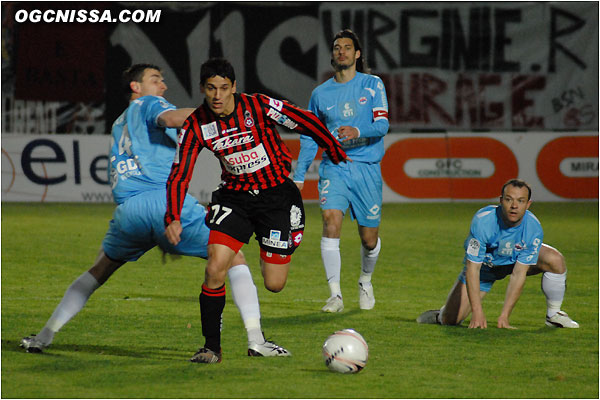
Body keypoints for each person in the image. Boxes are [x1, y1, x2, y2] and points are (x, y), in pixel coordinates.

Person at [20, 64, 291, 358]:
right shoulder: (148, 104)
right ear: (136, 87)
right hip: (163, 201)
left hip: (129, 211)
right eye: (155, 80)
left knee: (99, 270)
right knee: (233, 257)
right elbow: (173, 118)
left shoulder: (119, 122)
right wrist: (223, 112)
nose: (162, 86)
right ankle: (256, 340)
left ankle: (44, 337)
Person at [164, 58, 348, 363]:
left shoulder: (258, 106)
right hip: (234, 198)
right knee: (214, 267)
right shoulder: (197, 125)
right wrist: (172, 216)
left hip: (277, 196)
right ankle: (212, 347)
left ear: (234, 87)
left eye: (224, 87)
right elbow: (180, 173)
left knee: (275, 284)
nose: (218, 95)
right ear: (202, 89)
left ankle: (256, 335)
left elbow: (302, 119)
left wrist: (330, 144)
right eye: (211, 88)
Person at [293, 29, 389, 313]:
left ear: (357, 54)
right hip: (335, 167)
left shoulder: (372, 85)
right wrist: (299, 176)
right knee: (330, 220)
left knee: (368, 239)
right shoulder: (320, 94)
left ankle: (365, 280)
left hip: (367, 168)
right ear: (333, 54)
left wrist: (358, 130)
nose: (342, 51)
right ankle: (335, 295)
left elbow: (382, 125)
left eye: (347, 47)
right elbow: (310, 136)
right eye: (337, 47)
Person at [417, 179, 579, 329]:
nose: (514, 206)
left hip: (514, 262)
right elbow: (473, 268)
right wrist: (477, 312)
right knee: (451, 321)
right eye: (509, 200)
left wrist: (504, 316)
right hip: (486, 268)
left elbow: (519, 273)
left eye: (520, 201)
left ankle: (554, 314)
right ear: (501, 201)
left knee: (555, 259)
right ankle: (442, 314)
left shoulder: (533, 227)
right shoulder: (483, 222)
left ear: (528, 204)